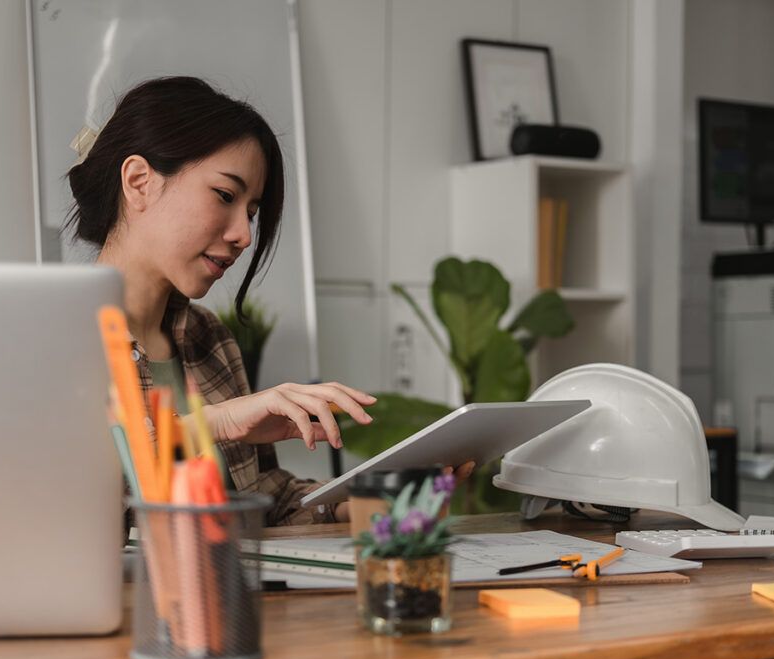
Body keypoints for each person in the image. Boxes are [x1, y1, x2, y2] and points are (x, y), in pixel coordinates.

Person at [67, 76, 473, 525]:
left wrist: (383, 498)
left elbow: (267, 502)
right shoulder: (49, 337)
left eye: (252, 213)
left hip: (233, 594)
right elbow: (61, 500)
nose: (243, 235)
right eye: (225, 195)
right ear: (139, 181)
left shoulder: (210, 341)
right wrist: (216, 424)